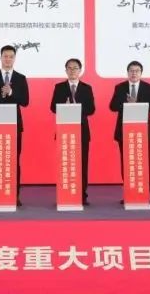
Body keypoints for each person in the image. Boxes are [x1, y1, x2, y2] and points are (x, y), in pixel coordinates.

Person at [0, 45, 30, 206]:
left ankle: (14, 194)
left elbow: (25, 101)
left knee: (13, 160)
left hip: (14, 125)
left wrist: (11, 93)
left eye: (11, 56)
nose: (8, 59)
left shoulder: (21, 78)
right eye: (5, 56)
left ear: (14, 58)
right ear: (0, 57)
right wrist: (1, 93)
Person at [50, 58, 96, 205]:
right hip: (64, 131)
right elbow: (53, 107)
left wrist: (75, 108)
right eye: (69, 68)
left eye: (75, 68)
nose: (72, 71)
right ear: (66, 71)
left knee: (82, 163)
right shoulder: (59, 87)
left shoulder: (87, 88)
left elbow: (91, 109)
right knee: (65, 163)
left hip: (82, 131)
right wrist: (64, 107)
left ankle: (82, 194)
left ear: (80, 70)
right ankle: (65, 192)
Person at [110, 60, 150, 197]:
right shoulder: (120, 87)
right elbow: (112, 106)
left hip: (144, 131)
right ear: (127, 72)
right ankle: (129, 192)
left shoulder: (148, 88)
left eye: (137, 71)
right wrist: (127, 104)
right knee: (127, 162)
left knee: (145, 162)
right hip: (124, 131)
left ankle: (145, 193)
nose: (134, 73)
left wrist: (136, 103)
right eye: (131, 71)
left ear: (141, 73)